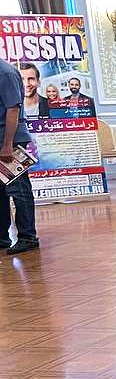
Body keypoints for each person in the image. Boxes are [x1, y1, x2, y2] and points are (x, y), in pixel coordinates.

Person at [0, 57, 38, 255]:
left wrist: (7, 145)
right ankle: (2, 237)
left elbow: (12, 110)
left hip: (9, 140)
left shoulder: (5, 72)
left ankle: (28, 237)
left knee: (18, 190)